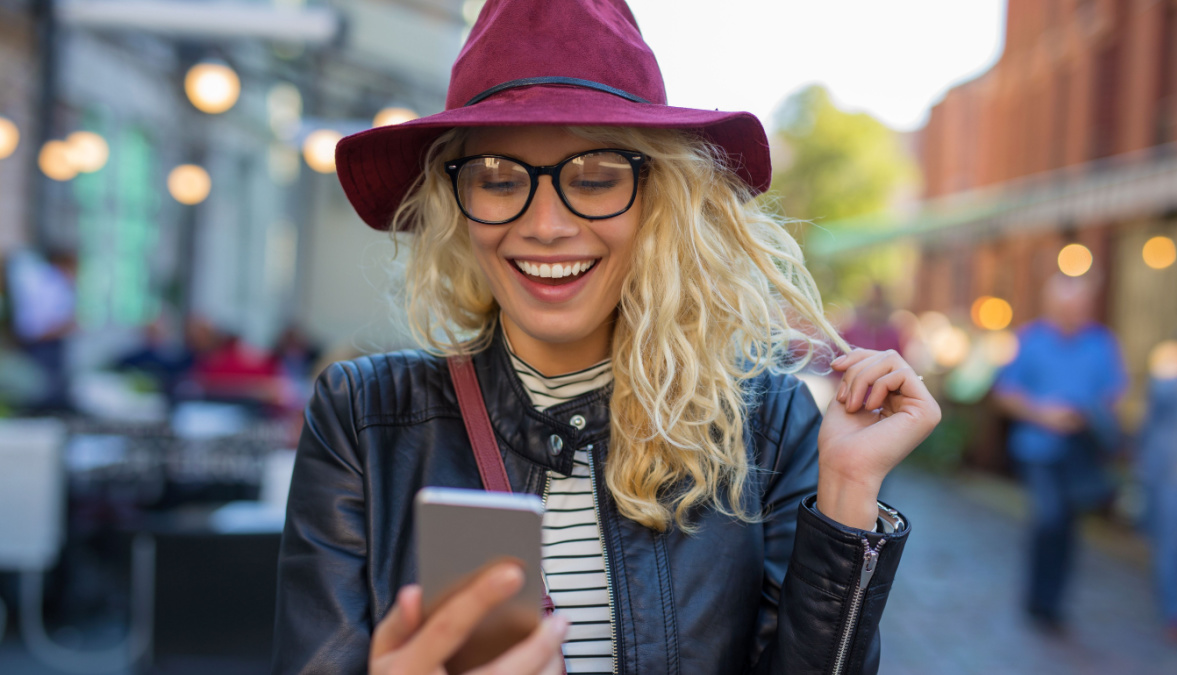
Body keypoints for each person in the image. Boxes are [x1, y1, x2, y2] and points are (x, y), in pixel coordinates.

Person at [272, 1, 941, 673]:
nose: (546, 224)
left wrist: (849, 492)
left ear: (659, 199)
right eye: (499, 179)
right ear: (456, 202)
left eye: (594, 177)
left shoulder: (767, 425)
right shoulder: (362, 419)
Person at [993, 273, 1127, 631]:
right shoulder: (1031, 340)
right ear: (1052, 304)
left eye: (1079, 305)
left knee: (1067, 527)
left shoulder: (1101, 342)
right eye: (1066, 305)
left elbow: (1113, 393)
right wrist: (1043, 412)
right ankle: (1037, 598)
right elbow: (1005, 394)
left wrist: (1087, 413)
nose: (1073, 312)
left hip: (1079, 450)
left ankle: (1051, 603)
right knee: (1049, 518)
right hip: (1039, 449)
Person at [1138, 320, 1177, 644]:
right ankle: (1175, 612)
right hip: (1172, 482)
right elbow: (1149, 431)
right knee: (1171, 548)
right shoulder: (1169, 388)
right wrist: (1146, 474)